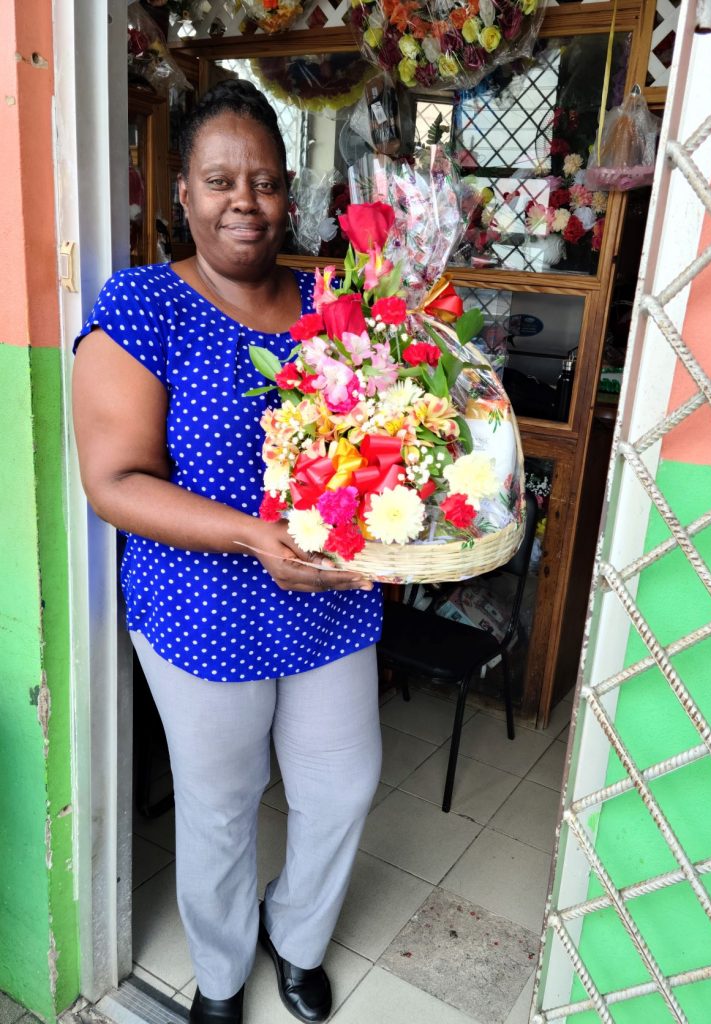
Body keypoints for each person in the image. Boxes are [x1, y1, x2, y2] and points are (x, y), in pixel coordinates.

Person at [72, 79, 383, 1024]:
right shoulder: (143, 306)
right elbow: (114, 482)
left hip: (328, 602)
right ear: (182, 193)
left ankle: (294, 937)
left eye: (264, 181)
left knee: (341, 788)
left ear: (290, 192)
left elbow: (386, 438)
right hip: (202, 611)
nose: (244, 201)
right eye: (219, 181)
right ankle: (217, 974)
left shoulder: (338, 301)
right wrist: (253, 534)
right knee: (221, 806)